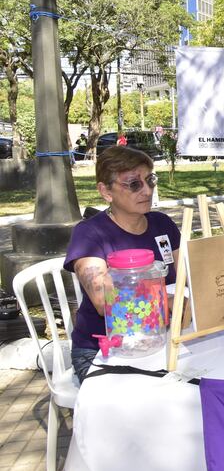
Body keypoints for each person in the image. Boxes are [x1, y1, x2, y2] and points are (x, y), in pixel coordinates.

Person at [64, 146, 181, 383]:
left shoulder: (162, 224)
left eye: (150, 180)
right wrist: (171, 300)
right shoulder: (89, 235)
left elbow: (188, 276)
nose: (147, 190)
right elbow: (103, 303)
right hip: (101, 350)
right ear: (106, 191)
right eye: (134, 184)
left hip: (162, 337)